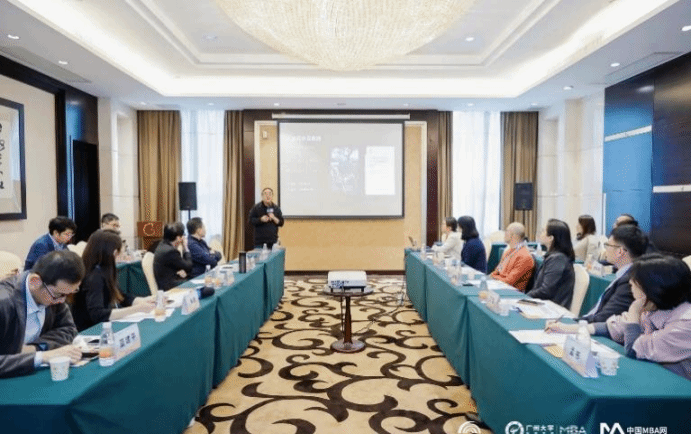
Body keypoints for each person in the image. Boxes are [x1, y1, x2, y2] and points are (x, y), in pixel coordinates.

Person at [547, 253, 690, 380]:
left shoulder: (685, 323)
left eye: (634, 283)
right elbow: (613, 327)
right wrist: (566, 328)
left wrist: (633, 314)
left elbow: (634, 349)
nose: (630, 286)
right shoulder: (654, 306)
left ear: (651, 289)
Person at [0, 251, 84, 378]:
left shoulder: (52, 293)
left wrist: (36, 348)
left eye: (68, 294)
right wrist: (42, 357)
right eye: (58, 295)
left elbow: (68, 329)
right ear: (35, 282)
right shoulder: (4, 301)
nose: (62, 301)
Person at [70, 230, 155, 331]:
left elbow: (121, 297)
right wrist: (136, 309)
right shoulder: (94, 277)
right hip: (90, 331)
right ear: (114, 253)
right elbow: (98, 315)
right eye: (121, 251)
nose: (123, 255)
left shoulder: (103, 269)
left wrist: (146, 300)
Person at [580, 224, 648, 323]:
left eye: (608, 245)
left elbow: (604, 318)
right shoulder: (626, 273)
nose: (605, 249)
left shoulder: (630, 281)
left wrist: (577, 323)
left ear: (620, 251)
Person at [527, 219, 575, 308]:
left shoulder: (558, 259)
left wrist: (525, 297)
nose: (540, 234)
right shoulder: (554, 256)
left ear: (551, 238)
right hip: (544, 304)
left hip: (551, 307)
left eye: (543, 231)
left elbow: (545, 291)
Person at [490, 222, 534, 292]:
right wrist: (493, 277)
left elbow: (509, 282)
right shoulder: (509, 251)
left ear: (514, 236)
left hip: (511, 292)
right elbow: (496, 272)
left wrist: (494, 277)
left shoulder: (525, 257)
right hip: (499, 286)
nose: (504, 234)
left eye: (507, 231)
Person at [153, 222, 193, 291]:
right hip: (170, 287)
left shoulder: (162, 245)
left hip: (166, 282)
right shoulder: (171, 251)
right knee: (205, 289)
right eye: (182, 236)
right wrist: (186, 248)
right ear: (178, 238)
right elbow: (188, 267)